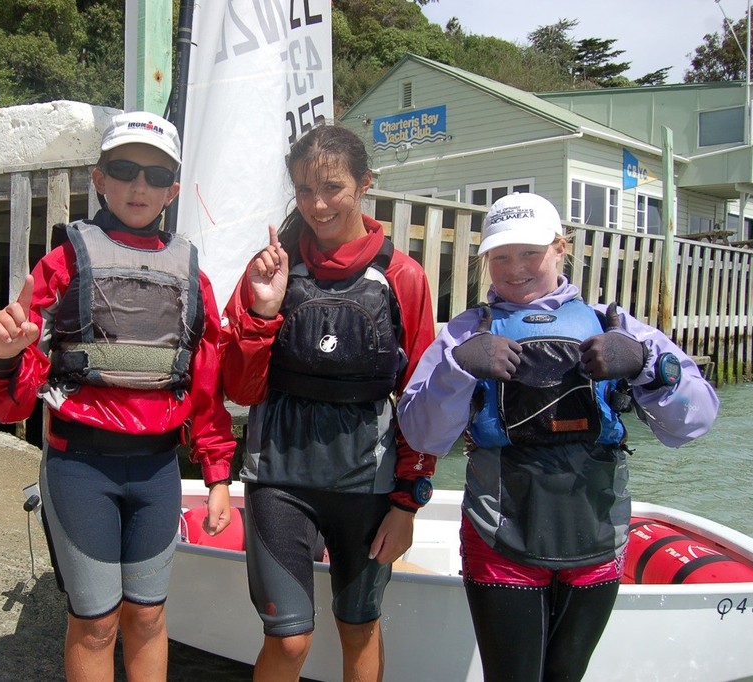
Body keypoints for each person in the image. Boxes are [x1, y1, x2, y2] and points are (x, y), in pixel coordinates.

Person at [397, 192, 719, 681]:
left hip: (596, 540)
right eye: (500, 256)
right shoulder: (464, 335)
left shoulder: (614, 325)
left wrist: (647, 367)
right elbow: (423, 435)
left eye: (530, 253)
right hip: (500, 539)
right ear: (485, 262)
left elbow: (696, 421)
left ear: (560, 248)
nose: (515, 268)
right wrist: (456, 371)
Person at [0, 111, 235, 682]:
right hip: (80, 466)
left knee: (147, 615)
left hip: (158, 468)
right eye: (123, 169)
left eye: (154, 174)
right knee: (96, 622)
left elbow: (207, 385)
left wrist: (217, 475)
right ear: (99, 179)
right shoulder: (64, 262)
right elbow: (12, 405)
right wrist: (1, 356)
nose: (138, 186)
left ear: (172, 188)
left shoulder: (193, 273)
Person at [220, 123, 437, 682]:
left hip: (366, 489)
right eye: (303, 190)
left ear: (365, 183)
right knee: (289, 640)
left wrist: (407, 502)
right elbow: (239, 390)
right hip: (279, 482)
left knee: (359, 625)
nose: (317, 205)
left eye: (333, 188)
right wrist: (262, 313)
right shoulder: (270, 270)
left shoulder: (402, 277)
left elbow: (422, 398)